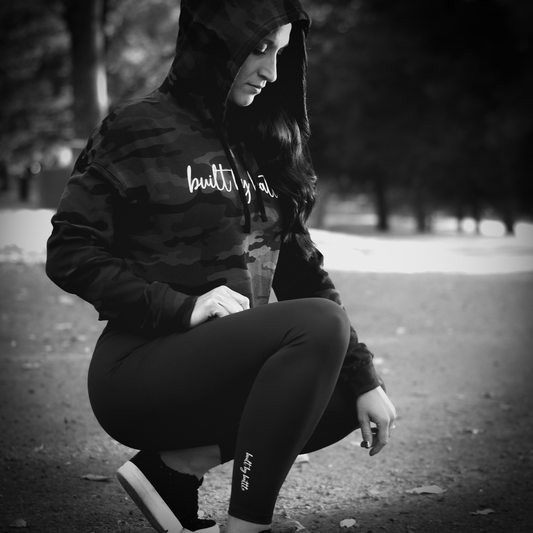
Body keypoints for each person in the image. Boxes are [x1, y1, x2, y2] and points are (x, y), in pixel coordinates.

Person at [46, 1, 396, 533]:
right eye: (258, 48)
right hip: (141, 368)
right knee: (321, 327)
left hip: (224, 370)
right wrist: (182, 308)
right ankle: (247, 525)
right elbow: (70, 250)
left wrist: (364, 374)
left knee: (350, 390)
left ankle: (172, 473)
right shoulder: (139, 127)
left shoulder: (261, 141)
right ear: (214, 42)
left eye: (280, 52)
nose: (271, 70)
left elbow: (302, 272)